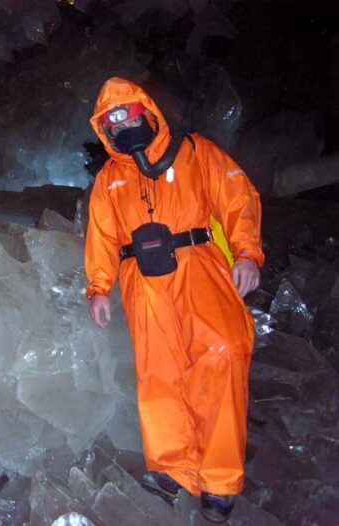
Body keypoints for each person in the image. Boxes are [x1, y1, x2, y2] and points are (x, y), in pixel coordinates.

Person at [85, 77, 263, 523]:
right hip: (142, 281)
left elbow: (237, 198)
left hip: (199, 265)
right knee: (158, 374)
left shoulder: (196, 152)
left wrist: (247, 254)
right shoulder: (108, 180)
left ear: (147, 110)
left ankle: (219, 479)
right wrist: (99, 288)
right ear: (102, 130)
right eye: (110, 122)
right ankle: (171, 469)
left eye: (127, 113)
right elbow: (101, 238)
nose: (121, 125)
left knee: (221, 352)